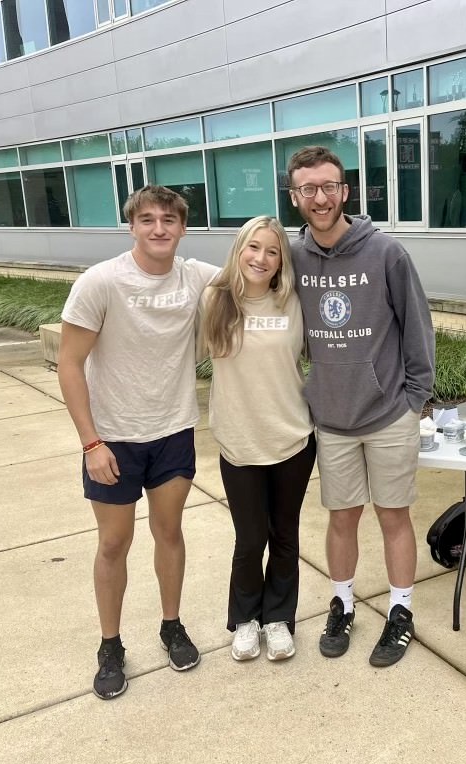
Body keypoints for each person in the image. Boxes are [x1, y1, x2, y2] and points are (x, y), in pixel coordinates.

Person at [57, 185, 220, 700]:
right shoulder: (101, 282)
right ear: (131, 226)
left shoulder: (195, 277)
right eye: (146, 219)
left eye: (168, 220)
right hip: (114, 440)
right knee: (113, 544)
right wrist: (90, 443)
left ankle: (171, 625)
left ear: (182, 228)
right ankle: (110, 645)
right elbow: (68, 363)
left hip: (172, 431)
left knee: (169, 533)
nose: (158, 229)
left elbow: (255, 276)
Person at [287, 146, 436, 668]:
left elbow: (418, 329)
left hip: (389, 413)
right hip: (331, 418)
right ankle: (343, 604)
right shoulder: (293, 258)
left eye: (329, 186)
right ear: (295, 197)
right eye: (309, 189)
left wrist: (414, 400)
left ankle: (400, 613)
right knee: (341, 518)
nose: (320, 197)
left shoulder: (387, 253)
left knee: (394, 516)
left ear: (345, 191)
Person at [200, 217, 315, 663]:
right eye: (254, 247)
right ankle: (245, 620)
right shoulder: (214, 299)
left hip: (291, 437)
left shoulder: (292, 302)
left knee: (285, 535)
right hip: (239, 440)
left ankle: (278, 620)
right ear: (239, 249)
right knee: (249, 539)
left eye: (272, 251)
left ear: (281, 260)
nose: (261, 258)